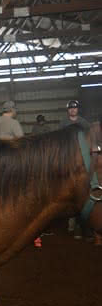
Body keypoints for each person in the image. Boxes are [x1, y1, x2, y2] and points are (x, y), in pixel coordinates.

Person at [60, 100, 91, 239]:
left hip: (82, 158)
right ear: (68, 110)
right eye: (71, 108)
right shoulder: (63, 123)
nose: (73, 110)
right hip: (68, 159)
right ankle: (71, 223)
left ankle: (82, 223)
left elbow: (89, 139)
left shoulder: (84, 123)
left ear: (78, 109)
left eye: (75, 108)